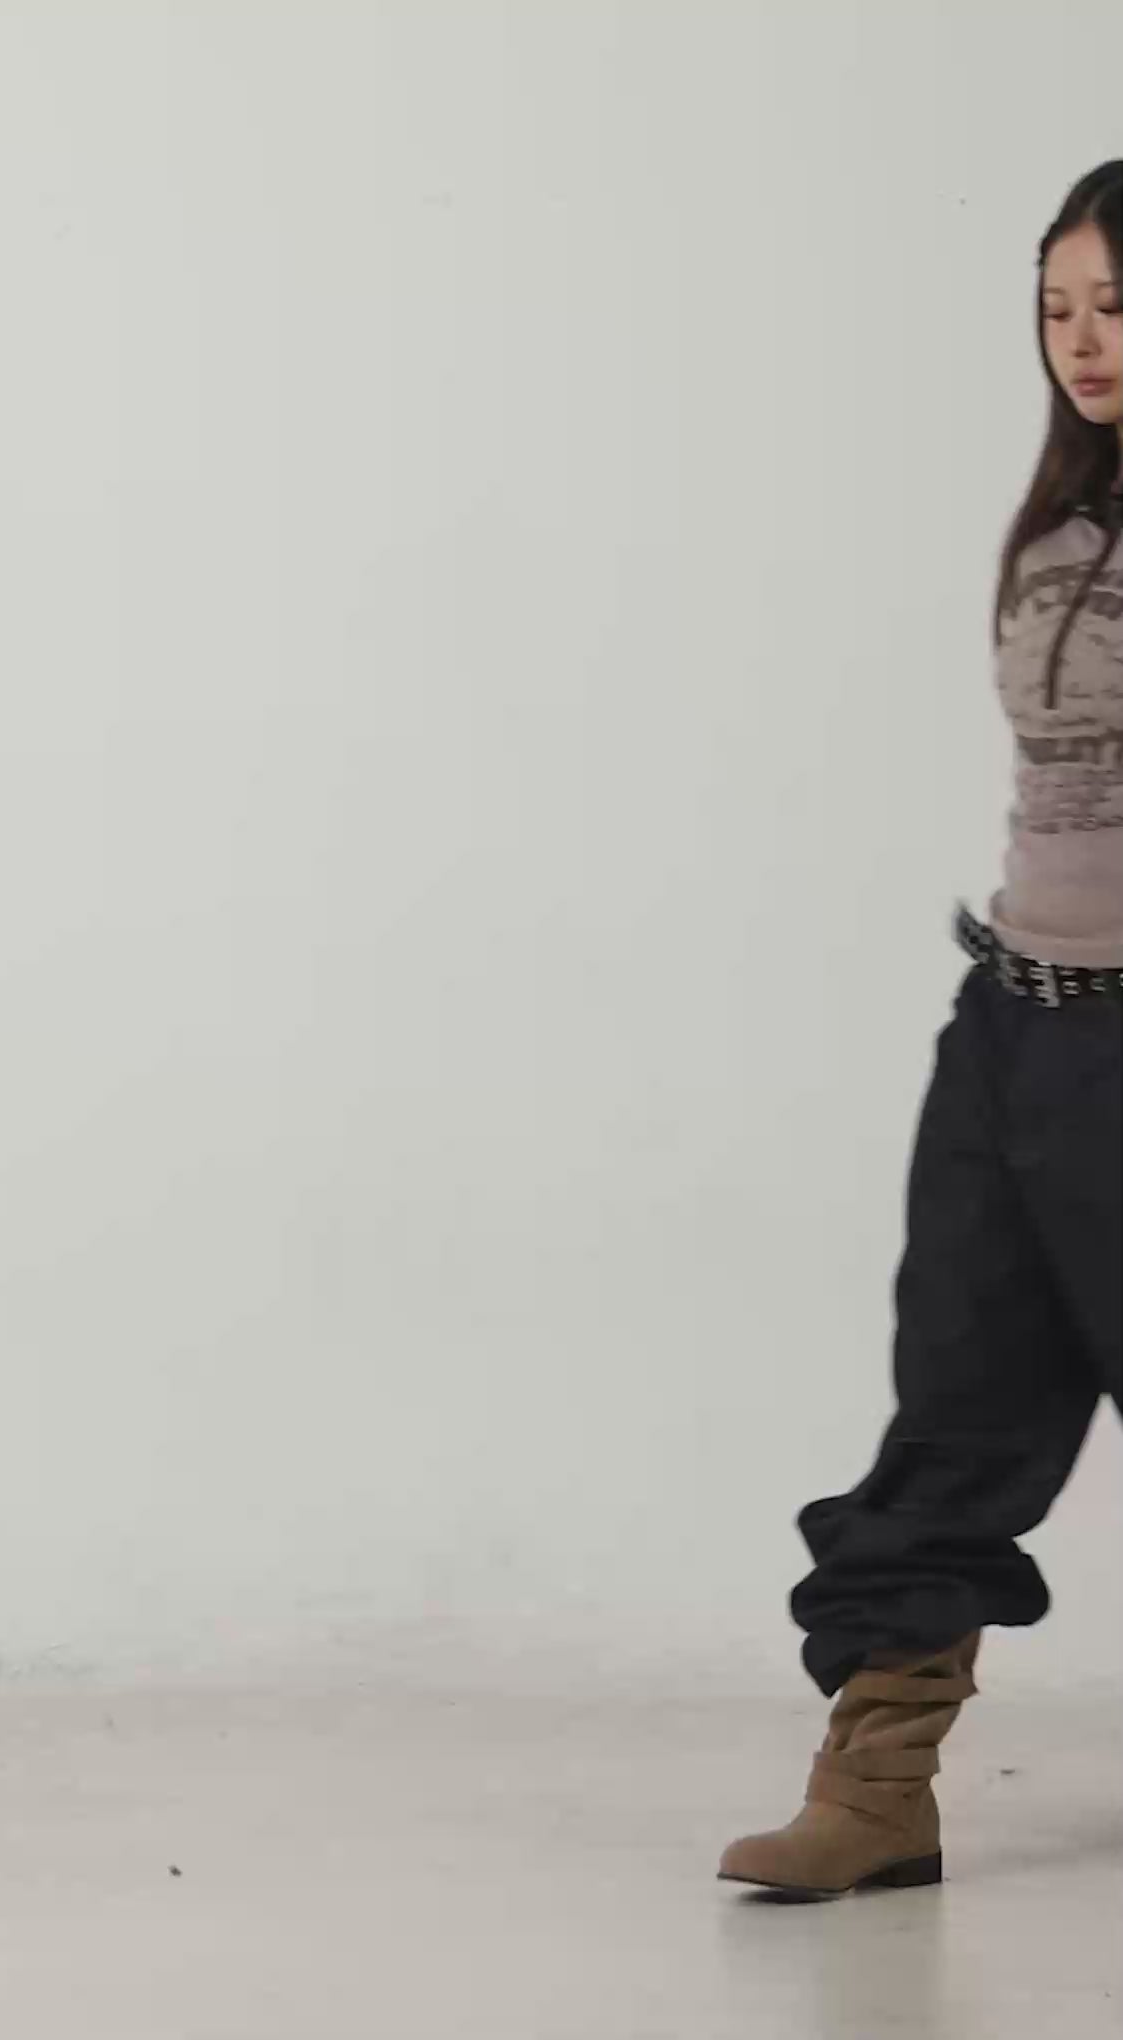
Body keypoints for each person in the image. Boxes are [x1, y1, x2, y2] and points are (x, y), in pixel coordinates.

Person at [718, 160, 1123, 1901]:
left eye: (1117, 305)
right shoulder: (1058, 532)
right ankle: (880, 1785)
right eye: (1057, 308)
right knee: (957, 1397)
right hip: (1014, 1025)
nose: (1084, 342)